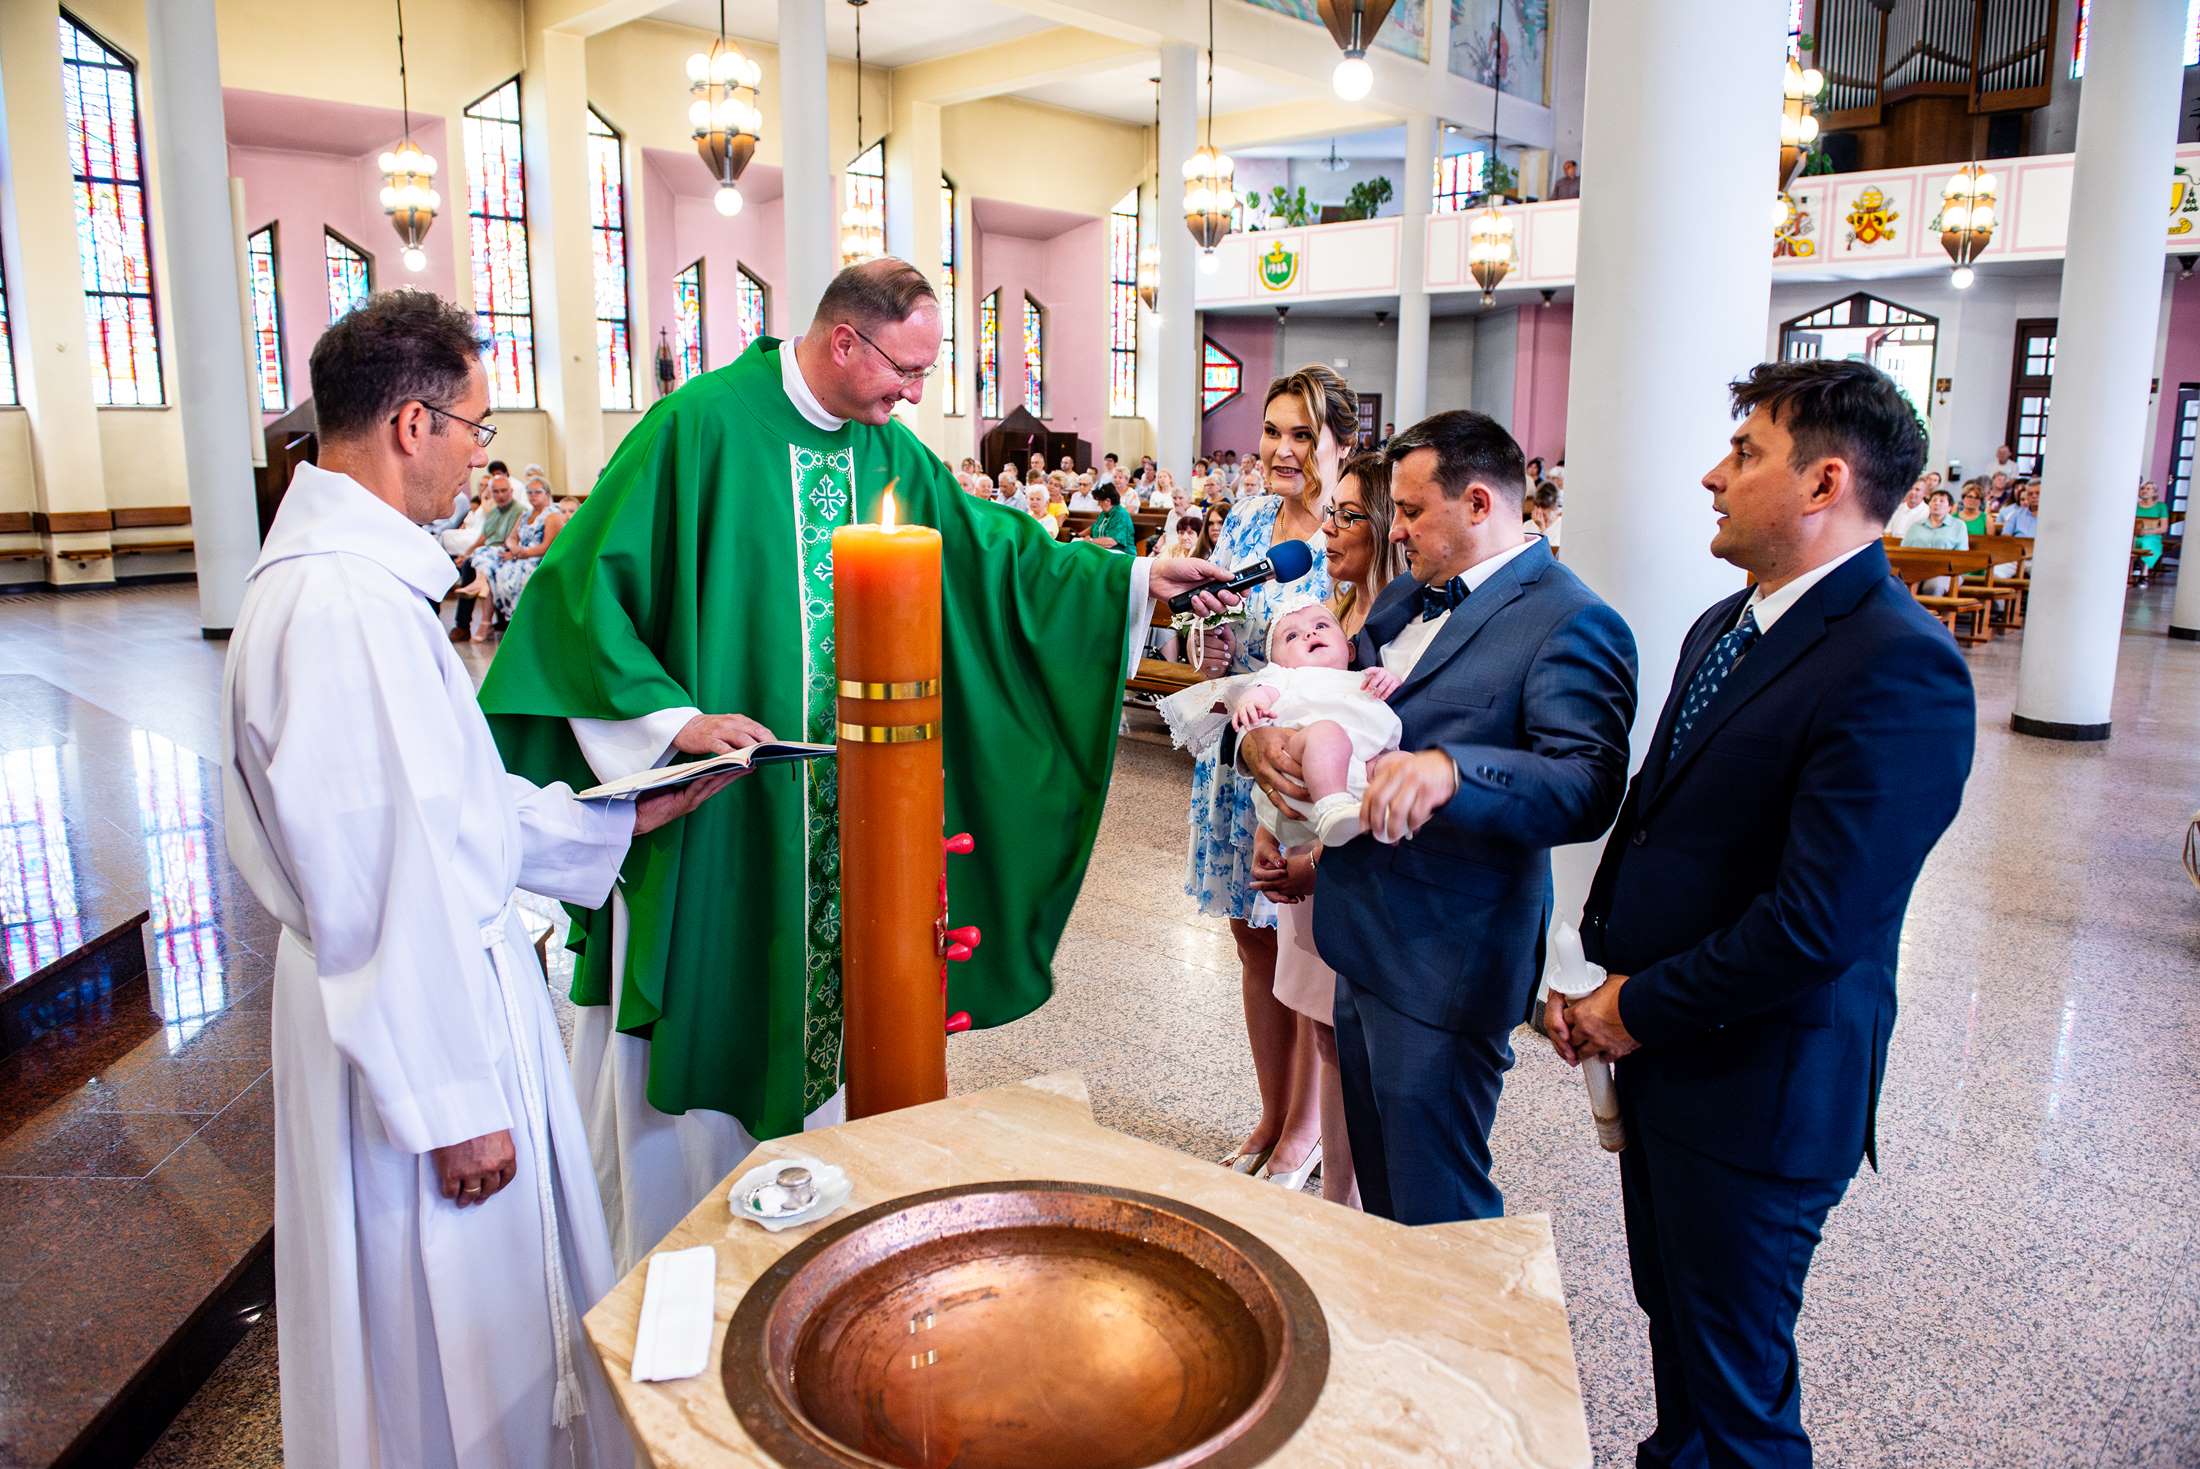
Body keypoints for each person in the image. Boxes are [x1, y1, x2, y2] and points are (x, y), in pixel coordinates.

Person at [477, 260, 1233, 1267]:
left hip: (848, 828)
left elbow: (994, 557)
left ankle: (816, 1261)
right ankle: (680, 1273)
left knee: (838, 1034)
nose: (914, 395)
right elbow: (576, 602)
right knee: (713, 1032)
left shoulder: (883, 447)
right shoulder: (698, 427)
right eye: (905, 370)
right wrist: (674, 720)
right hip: (724, 815)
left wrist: (1133, 579)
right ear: (844, 340)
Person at [221, 290, 745, 1468]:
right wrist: (453, 1107)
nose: (478, 454)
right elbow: (381, 878)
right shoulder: (341, 607)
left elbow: (442, 807)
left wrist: (617, 815)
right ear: (411, 424)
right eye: (475, 426)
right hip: (417, 1030)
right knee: (446, 1335)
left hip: (419, 1002)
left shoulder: (353, 585)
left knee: (461, 1322)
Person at [1552, 358, 1975, 1469]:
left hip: (1762, 1087)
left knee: (1740, 1392)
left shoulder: (1900, 664)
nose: (1712, 474)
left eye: (1745, 453)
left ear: (1825, 481)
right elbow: (1663, 822)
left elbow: (1814, 922)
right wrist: (1594, 969)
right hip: (1671, 1058)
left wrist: (1634, 1005)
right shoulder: (1727, 624)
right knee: (1681, 1338)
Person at [1241, 409, 1637, 1226]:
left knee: (1439, 1206)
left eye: (1413, 511)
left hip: (1446, 956)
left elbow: (1588, 783)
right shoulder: (1403, 598)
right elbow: (1337, 698)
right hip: (1358, 931)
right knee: (1383, 1196)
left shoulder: (1571, 619)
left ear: (1480, 503)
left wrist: (1455, 772)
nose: (1398, 529)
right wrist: (1260, 741)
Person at [1193, 367, 1350, 1190]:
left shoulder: (1350, 531)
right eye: (1272, 431)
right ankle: (1270, 1111)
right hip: (1238, 752)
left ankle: (1305, 1132)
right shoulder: (1250, 519)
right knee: (1252, 941)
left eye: (1303, 435)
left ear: (1341, 444)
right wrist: (1210, 646)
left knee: (1304, 950)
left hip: (1303, 770)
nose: (1282, 449)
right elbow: (1218, 621)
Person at [450, 464, 521, 642]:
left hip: (506, 553)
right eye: (496, 491)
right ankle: (463, 625)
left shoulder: (519, 510)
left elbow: (511, 540)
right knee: (466, 562)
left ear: (511, 491)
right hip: (489, 551)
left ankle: (467, 622)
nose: (500, 495)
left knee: (475, 565)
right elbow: (483, 537)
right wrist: (467, 553)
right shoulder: (495, 511)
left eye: (503, 491)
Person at [489, 476, 567, 625]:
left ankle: (520, 621)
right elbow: (511, 538)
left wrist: (520, 554)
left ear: (547, 493)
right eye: (529, 492)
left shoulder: (552, 516)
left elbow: (546, 547)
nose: (532, 496)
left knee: (515, 571)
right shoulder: (526, 514)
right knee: (490, 563)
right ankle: (499, 620)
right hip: (519, 554)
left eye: (537, 492)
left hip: (537, 558)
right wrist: (514, 548)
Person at [1901, 487, 1967, 549]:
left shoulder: (1959, 525)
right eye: (1934, 500)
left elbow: (1962, 552)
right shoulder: (1916, 525)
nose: (1937, 503)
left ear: (1949, 507)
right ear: (1929, 504)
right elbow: (1904, 548)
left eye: (1941, 501)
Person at [2134, 479, 2170, 580]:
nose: (2144, 491)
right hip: (2135, 535)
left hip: (2152, 536)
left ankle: (2144, 573)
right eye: (2143, 488)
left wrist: (2146, 532)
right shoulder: (2134, 505)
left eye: (2148, 489)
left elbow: (2163, 528)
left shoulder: (2161, 506)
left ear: (2154, 492)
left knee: (2146, 542)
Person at [1086, 483, 1136, 552]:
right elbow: (1094, 527)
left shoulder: (1120, 514)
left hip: (1121, 554)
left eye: (1100, 501)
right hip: (1104, 551)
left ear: (1108, 501)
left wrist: (1091, 540)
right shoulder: (1104, 513)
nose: (1098, 504)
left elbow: (1112, 542)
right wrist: (1078, 535)